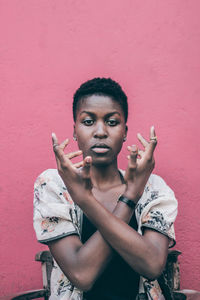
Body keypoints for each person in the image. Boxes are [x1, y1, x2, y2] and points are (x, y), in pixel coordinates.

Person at [33, 78, 177, 300]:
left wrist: (131, 194)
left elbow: (151, 266)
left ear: (125, 132)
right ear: (74, 131)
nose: (100, 132)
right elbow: (82, 274)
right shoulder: (55, 186)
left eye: (111, 122)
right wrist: (127, 197)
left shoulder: (151, 188)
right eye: (88, 121)